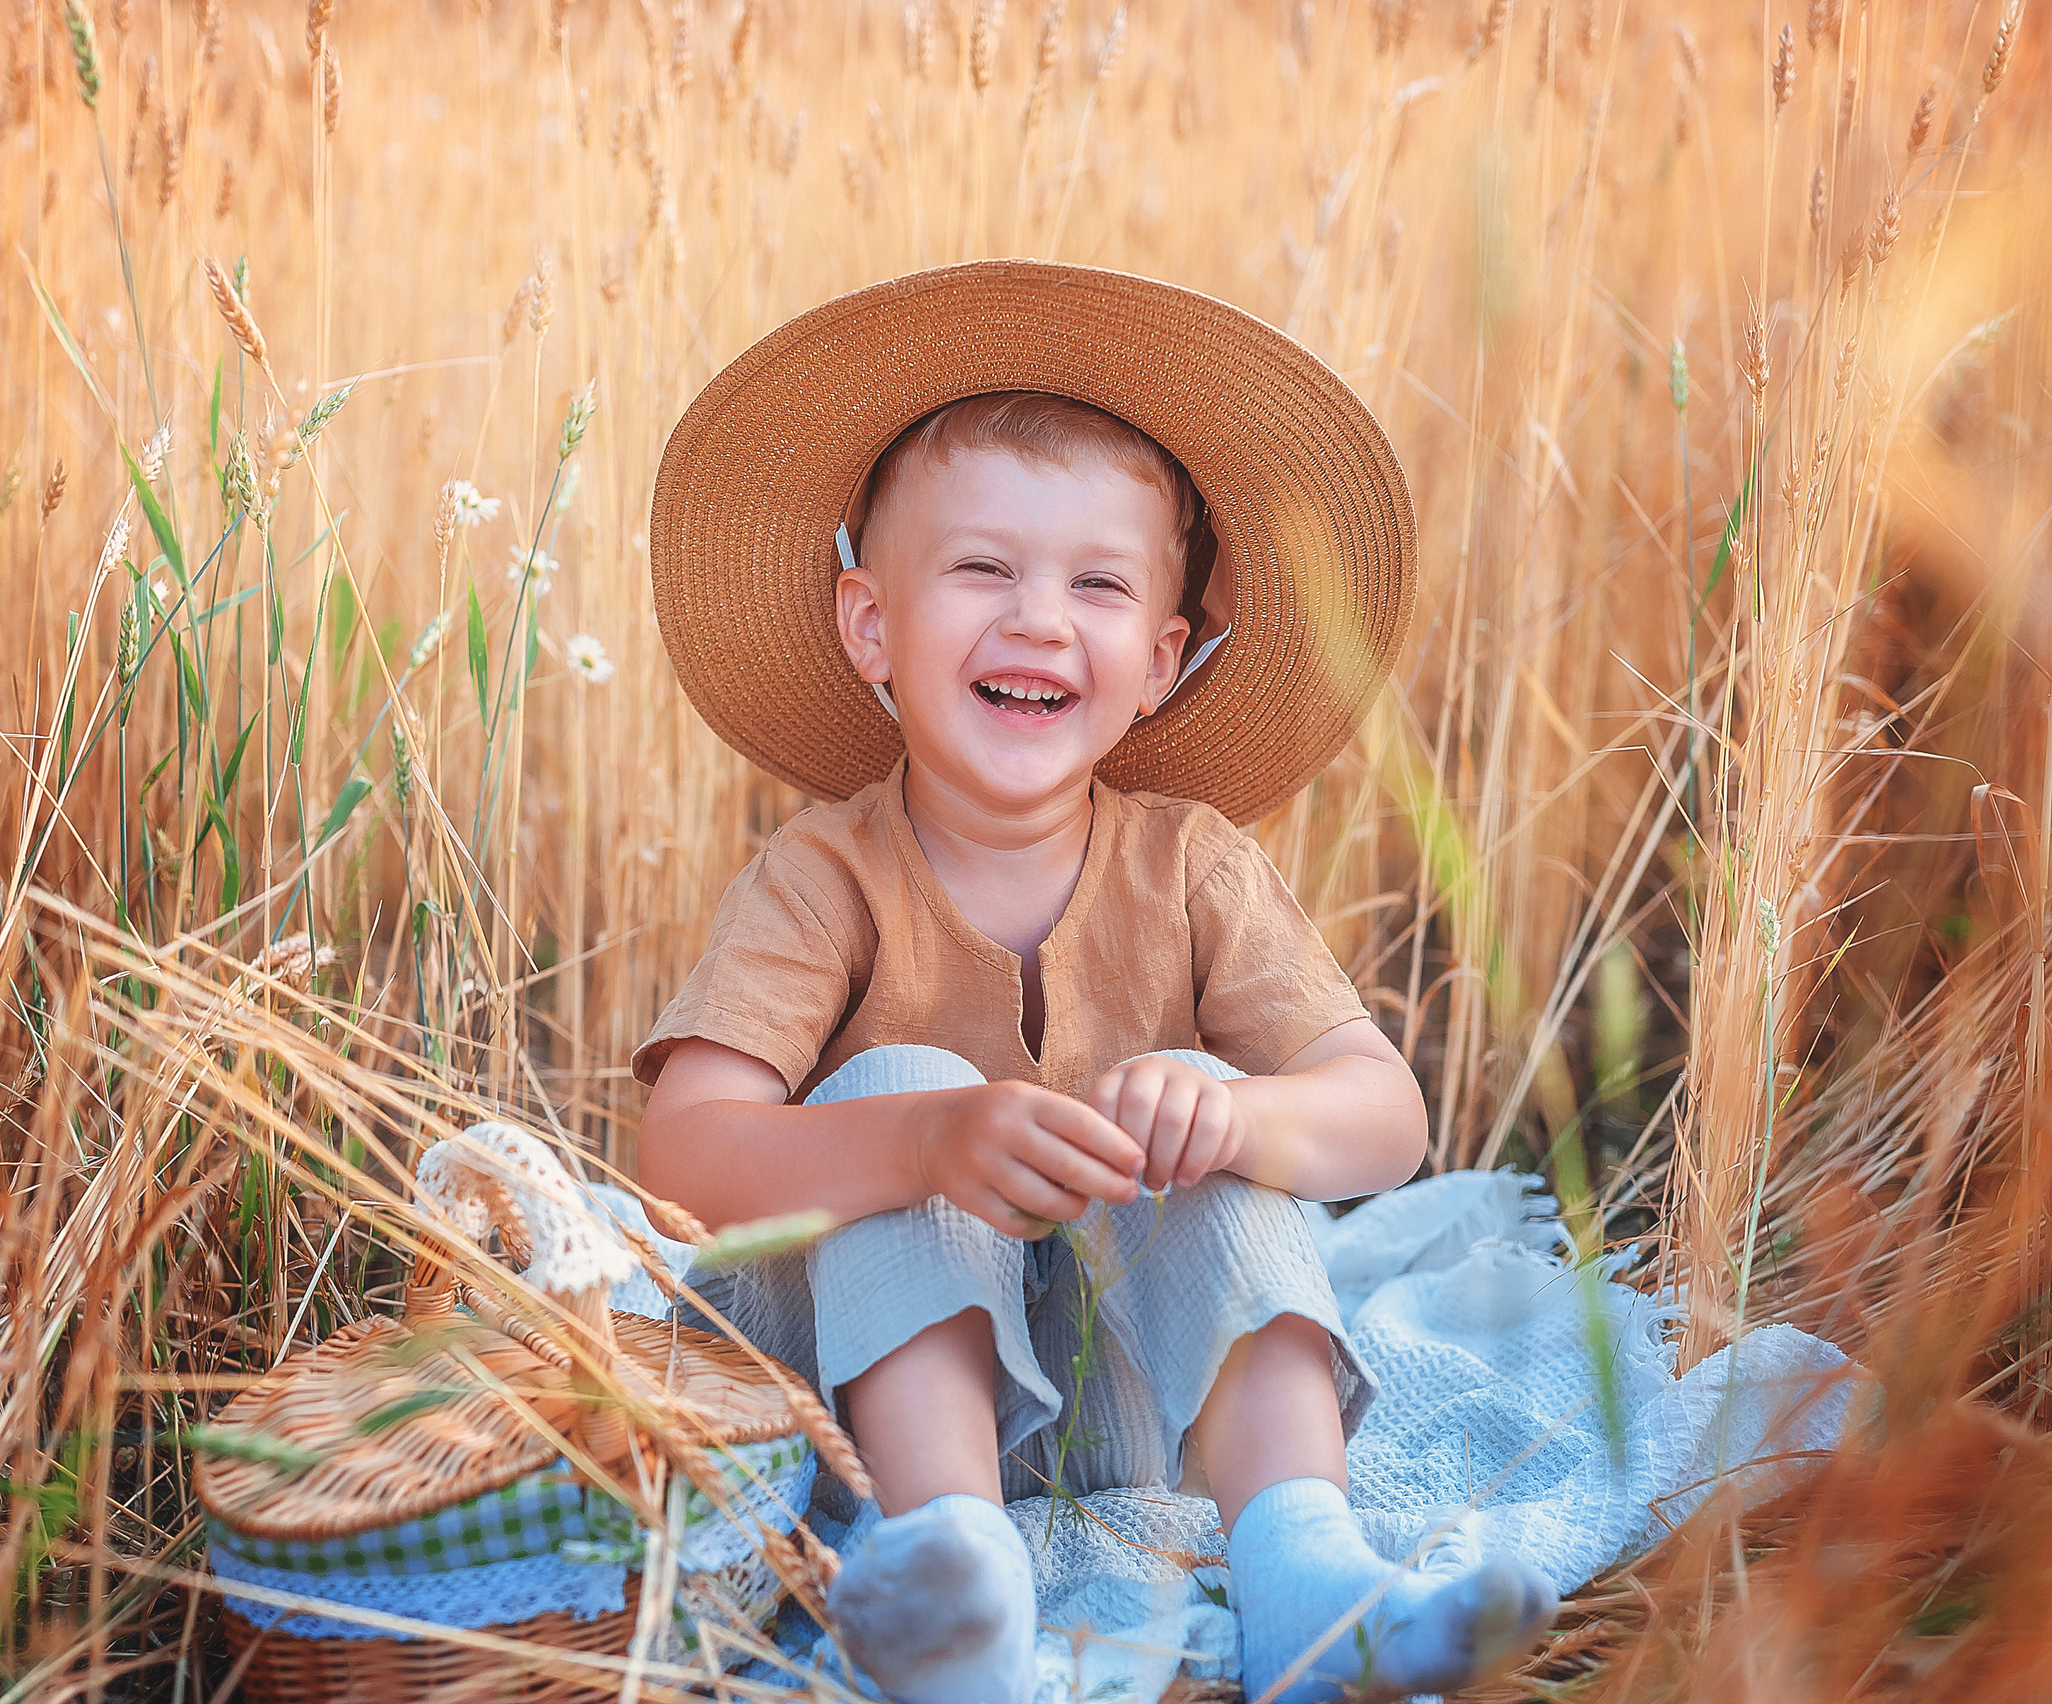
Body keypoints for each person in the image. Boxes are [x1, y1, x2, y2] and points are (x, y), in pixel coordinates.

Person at [632, 261, 1557, 1704]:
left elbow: (1386, 1119)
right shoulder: (825, 875)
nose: (1042, 620)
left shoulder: (1192, 867)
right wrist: (926, 1140)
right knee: (903, 1084)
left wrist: (1233, 1116)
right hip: (885, 1391)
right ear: (872, 626)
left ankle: (1306, 1572)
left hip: (1132, 1400)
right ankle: (948, 1578)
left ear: (1162, 661)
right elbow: (682, 1153)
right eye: (985, 570)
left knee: (1216, 1118)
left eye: (1100, 586)